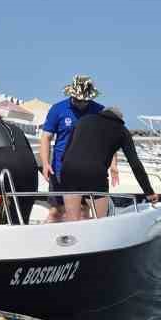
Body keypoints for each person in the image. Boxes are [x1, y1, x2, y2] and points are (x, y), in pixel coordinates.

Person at [57, 106, 159, 221]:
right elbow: (135, 164)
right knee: (99, 221)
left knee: (72, 220)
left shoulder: (83, 120)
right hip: (95, 174)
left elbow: (65, 153)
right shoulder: (122, 130)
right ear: (120, 119)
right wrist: (149, 192)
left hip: (69, 169)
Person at [38, 75, 104, 221]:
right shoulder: (58, 109)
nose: (80, 103)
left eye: (84, 100)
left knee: (82, 211)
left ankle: (83, 242)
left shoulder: (99, 111)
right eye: (77, 99)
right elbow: (46, 138)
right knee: (56, 211)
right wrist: (45, 163)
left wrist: (111, 165)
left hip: (87, 170)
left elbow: (106, 140)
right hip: (60, 169)